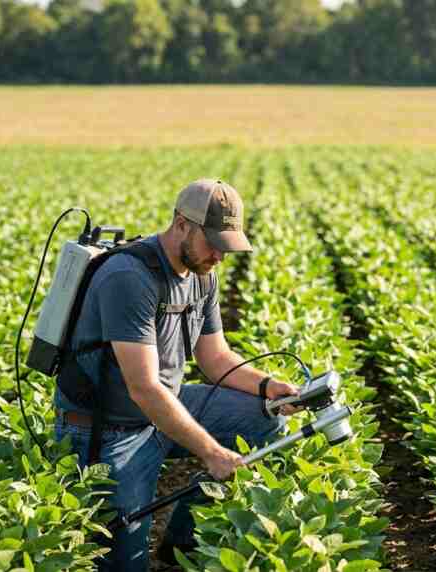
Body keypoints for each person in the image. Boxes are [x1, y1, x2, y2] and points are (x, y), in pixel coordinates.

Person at [53, 179, 301, 570]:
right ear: (181, 224)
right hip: (110, 429)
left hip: (164, 407)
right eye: (214, 243)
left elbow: (215, 358)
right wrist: (212, 452)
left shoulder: (202, 273)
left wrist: (270, 387)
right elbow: (145, 389)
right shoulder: (129, 278)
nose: (219, 256)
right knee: (124, 564)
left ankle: (181, 544)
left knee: (262, 419)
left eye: (227, 246)